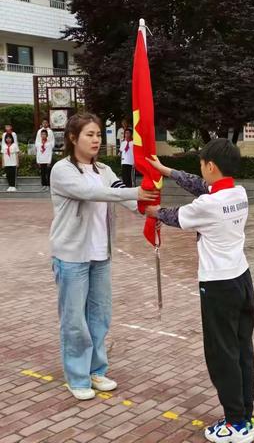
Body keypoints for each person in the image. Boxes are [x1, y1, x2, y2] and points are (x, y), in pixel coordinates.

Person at [145, 138, 254, 443]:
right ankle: (246, 416)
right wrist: (165, 170)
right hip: (242, 279)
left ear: (210, 166)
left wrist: (152, 211)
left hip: (219, 286)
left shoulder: (208, 205)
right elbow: (200, 185)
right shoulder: (238, 192)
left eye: (201, 165)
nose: (200, 172)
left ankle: (236, 424)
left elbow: (175, 217)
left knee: (222, 355)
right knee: (241, 350)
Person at [49, 112, 158, 401]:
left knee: (99, 316)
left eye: (98, 134)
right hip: (72, 257)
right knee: (74, 320)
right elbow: (92, 193)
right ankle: (77, 376)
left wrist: (151, 207)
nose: (96, 140)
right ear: (73, 138)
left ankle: (96, 369)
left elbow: (124, 198)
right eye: (90, 134)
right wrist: (137, 191)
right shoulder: (63, 171)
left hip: (100, 255)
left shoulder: (105, 171)